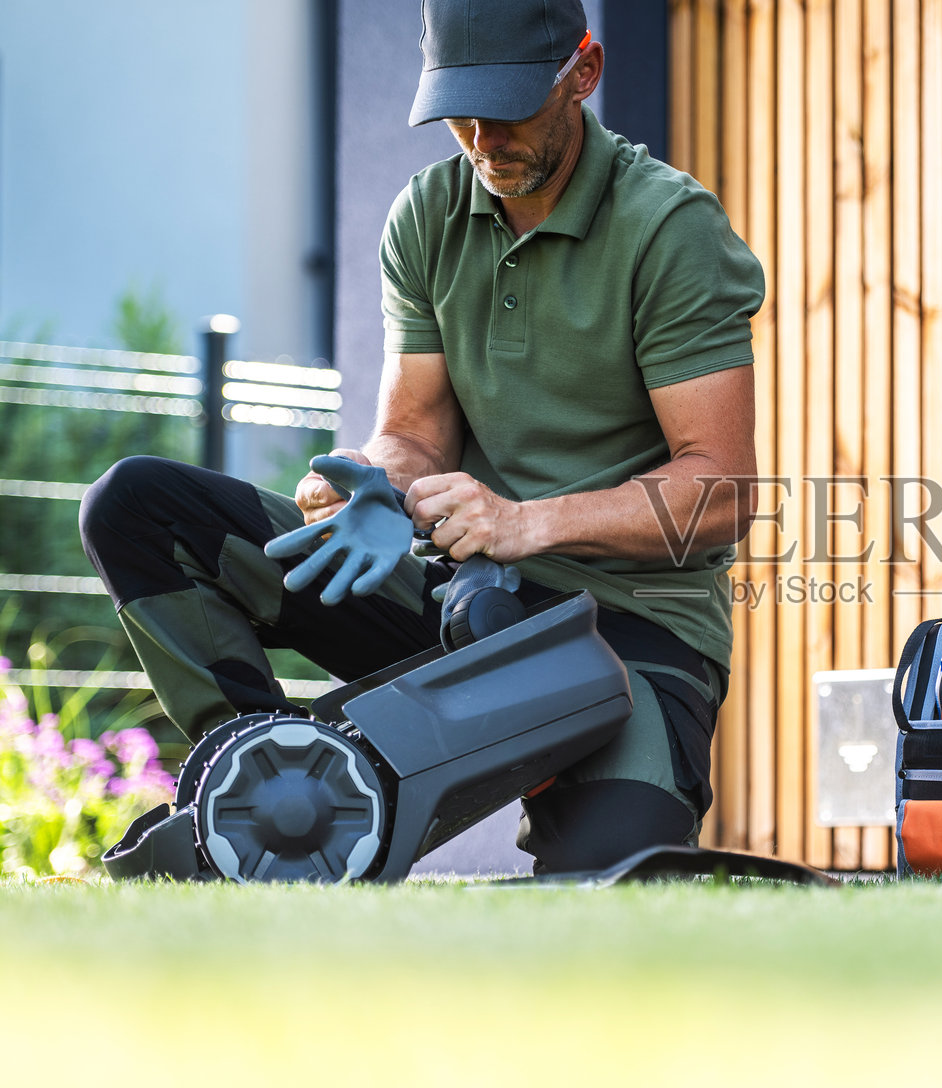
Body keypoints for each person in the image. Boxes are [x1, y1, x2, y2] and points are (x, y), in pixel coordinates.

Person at [78, 0, 765, 873]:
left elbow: (723, 491)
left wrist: (526, 522)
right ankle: (252, 780)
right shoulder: (427, 214)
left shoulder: (669, 229)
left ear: (582, 75)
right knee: (138, 507)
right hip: (465, 597)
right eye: (458, 111)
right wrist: (372, 481)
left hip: (627, 628)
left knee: (617, 884)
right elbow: (416, 434)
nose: (482, 139)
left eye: (508, 108)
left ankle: (580, 798)